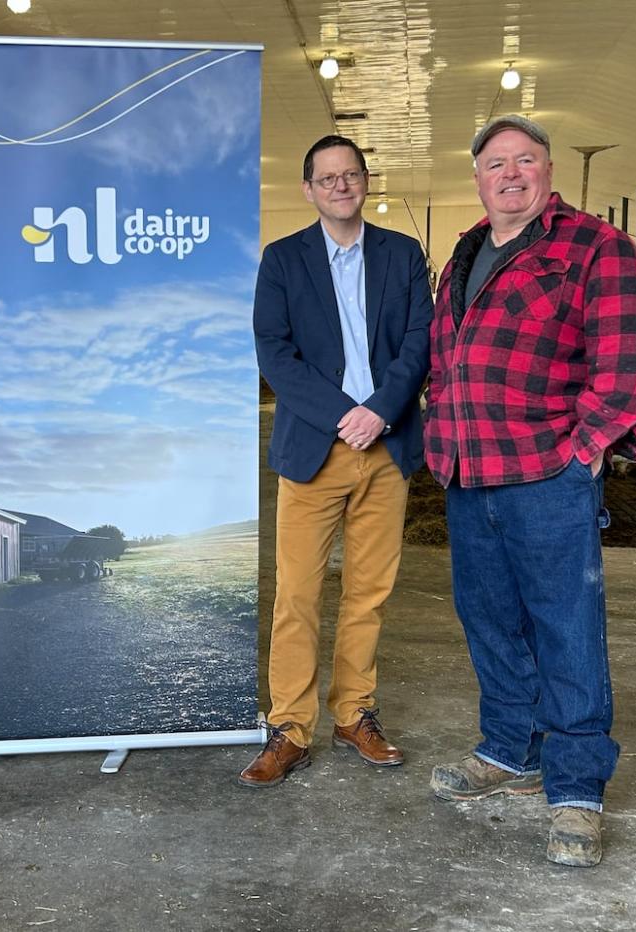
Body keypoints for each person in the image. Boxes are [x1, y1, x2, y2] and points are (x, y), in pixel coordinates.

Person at [423, 115, 636, 865]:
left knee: (566, 629)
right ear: (477, 178)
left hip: (547, 476)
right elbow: (446, 356)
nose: (511, 173)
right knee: (490, 621)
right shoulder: (464, 253)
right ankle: (510, 750)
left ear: (548, 171)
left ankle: (576, 790)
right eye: (496, 163)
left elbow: (634, 356)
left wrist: (586, 447)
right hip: (471, 474)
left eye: (525, 160)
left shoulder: (595, 247)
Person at [243, 135, 433, 787]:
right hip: (314, 449)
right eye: (327, 178)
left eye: (351, 174)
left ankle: (355, 713)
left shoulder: (403, 255)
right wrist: (340, 414)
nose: (341, 185)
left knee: (368, 592)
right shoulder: (283, 260)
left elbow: (419, 342)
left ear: (364, 181)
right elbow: (274, 351)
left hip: (386, 443)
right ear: (309, 190)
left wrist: (378, 409)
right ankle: (290, 727)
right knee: (297, 593)